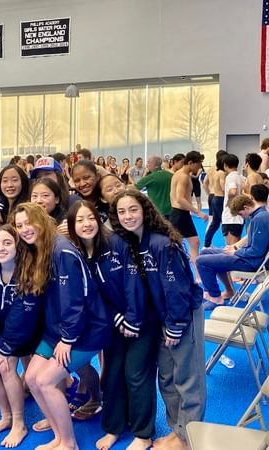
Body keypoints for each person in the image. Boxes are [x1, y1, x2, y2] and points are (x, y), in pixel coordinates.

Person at [110, 190, 205, 450]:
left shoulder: (163, 243)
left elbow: (178, 290)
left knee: (187, 377)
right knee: (166, 377)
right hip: (163, 316)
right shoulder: (130, 242)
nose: (127, 216)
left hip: (182, 315)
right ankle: (177, 431)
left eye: (133, 210)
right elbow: (133, 287)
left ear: (145, 210)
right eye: (121, 212)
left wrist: (175, 326)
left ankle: (187, 439)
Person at [15, 203, 110, 450]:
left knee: (46, 380)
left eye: (29, 223)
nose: (25, 229)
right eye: (20, 225)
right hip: (57, 329)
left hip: (87, 331)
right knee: (33, 379)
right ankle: (58, 436)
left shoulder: (62, 251)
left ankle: (69, 443)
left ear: (42, 221)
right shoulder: (37, 251)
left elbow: (75, 300)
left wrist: (67, 339)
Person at [66, 200, 157, 450]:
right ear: (72, 226)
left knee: (136, 373)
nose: (86, 224)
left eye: (90, 218)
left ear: (98, 220)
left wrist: (133, 319)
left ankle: (143, 433)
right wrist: (118, 318)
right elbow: (92, 297)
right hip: (114, 324)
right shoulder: (78, 257)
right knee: (114, 373)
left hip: (142, 320)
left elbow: (134, 282)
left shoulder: (118, 243)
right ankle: (114, 427)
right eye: (80, 220)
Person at [0, 224, 44, 448]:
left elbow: (21, 319)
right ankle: (5, 417)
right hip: (2, 331)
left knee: (6, 366)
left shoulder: (28, 274)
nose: (0, 248)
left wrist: (2, 350)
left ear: (18, 246)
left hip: (28, 331)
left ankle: (19, 423)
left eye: (7, 243)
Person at [196, 185, 269, 309]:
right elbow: (253, 245)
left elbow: (256, 251)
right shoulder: (259, 216)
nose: (242, 217)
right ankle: (228, 291)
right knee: (206, 252)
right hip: (249, 257)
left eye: (241, 214)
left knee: (201, 261)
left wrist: (235, 252)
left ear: (246, 207)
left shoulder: (261, 219)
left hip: (252, 262)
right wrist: (235, 249)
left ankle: (215, 298)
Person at [169, 150, 207, 281]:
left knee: (194, 243)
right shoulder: (183, 176)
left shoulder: (183, 175)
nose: (199, 168)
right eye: (198, 164)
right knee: (176, 246)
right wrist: (197, 211)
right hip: (179, 214)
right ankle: (180, 275)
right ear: (190, 163)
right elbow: (179, 199)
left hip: (181, 214)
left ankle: (198, 276)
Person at [202, 150, 227, 248]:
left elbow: (204, 183)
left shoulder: (211, 169)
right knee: (223, 220)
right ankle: (226, 243)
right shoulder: (222, 172)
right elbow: (223, 186)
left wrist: (209, 193)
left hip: (212, 195)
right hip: (219, 196)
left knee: (212, 221)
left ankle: (208, 243)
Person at [221, 154, 245, 245]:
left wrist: (229, 201)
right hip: (238, 217)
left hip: (231, 217)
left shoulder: (230, 177)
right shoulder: (241, 177)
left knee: (231, 248)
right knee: (236, 246)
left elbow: (232, 191)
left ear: (225, 165)